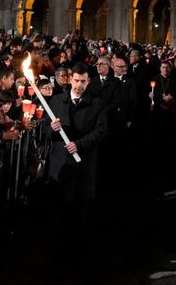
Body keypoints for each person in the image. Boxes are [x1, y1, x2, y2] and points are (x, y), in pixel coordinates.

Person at [46, 62, 109, 238]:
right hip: (60, 163)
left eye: (83, 81)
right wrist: (51, 127)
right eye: (76, 81)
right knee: (59, 207)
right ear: (70, 80)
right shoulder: (57, 101)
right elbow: (44, 130)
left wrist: (79, 144)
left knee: (80, 209)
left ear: (88, 81)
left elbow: (101, 131)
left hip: (84, 164)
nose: (79, 85)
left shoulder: (98, 103)